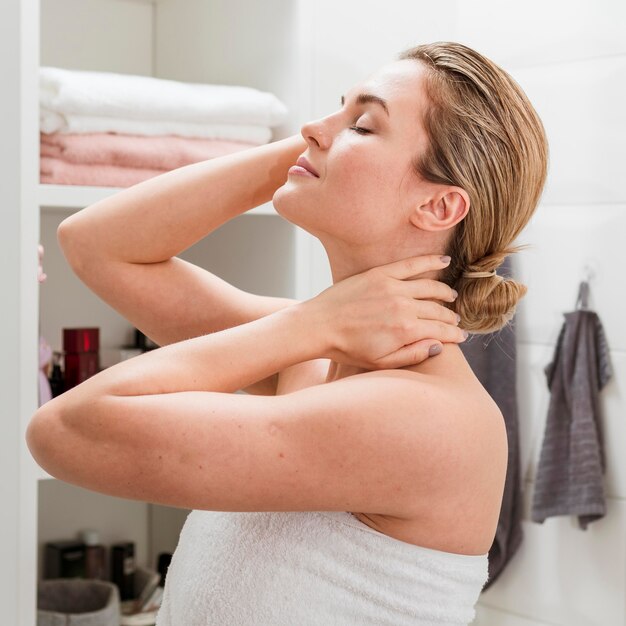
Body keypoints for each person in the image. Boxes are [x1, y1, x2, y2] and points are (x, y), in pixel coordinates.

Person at [27, 41, 548, 625]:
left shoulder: (422, 415)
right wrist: (321, 148)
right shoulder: (315, 350)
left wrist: (311, 322)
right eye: (337, 108)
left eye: (366, 125)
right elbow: (97, 247)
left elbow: (64, 431)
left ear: (439, 205)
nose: (312, 128)